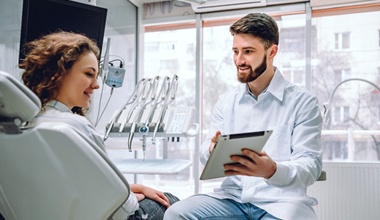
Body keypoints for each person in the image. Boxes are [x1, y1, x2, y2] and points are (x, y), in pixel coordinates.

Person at [164, 13, 323, 220]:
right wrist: (213, 150)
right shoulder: (227, 101)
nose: (239, 60)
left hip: (281, 202)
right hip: (233, 199)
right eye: (235, 51)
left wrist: (272, 170)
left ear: (272, 51)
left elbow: (310, 166)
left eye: (248, 51)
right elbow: (205, 151)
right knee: (177, 213)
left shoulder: (303, 102)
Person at [20, 31, 179, 220]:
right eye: (89, 74)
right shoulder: (75, 126)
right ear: (58, 73)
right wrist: (133, 197)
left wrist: (133, 188)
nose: (96, 85)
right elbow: (122, 210)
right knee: (171, 201)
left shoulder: (22, 125)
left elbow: (76, 186)